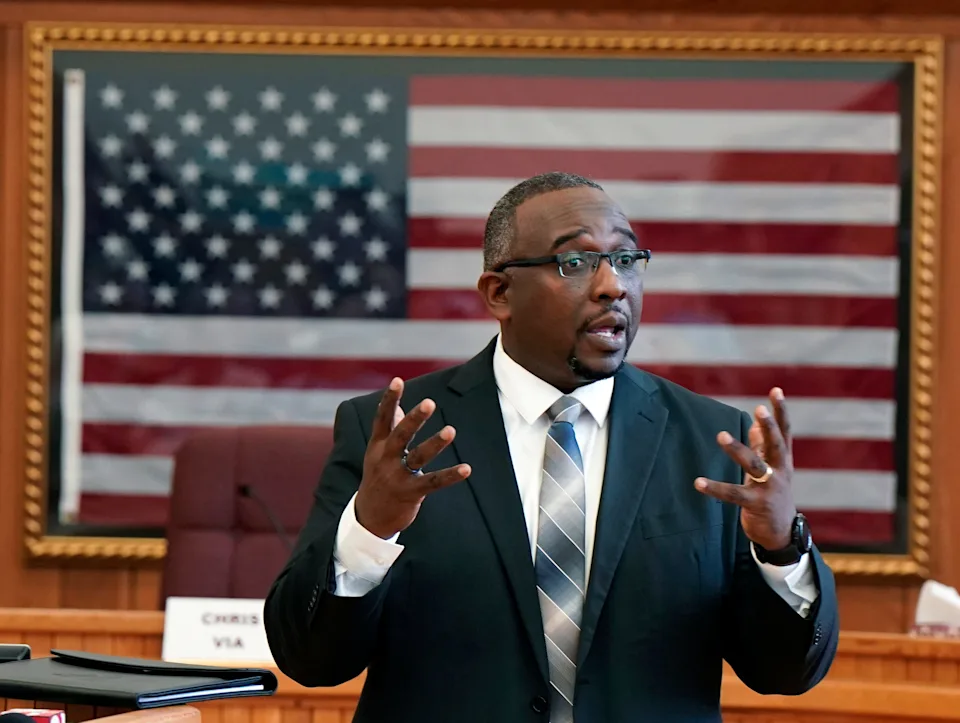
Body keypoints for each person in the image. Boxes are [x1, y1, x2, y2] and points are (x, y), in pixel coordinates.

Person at [264, 172, 839, 723]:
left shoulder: (716, 442)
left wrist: (781, 550)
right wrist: (369, 531)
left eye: (625, 259)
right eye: (577, 261)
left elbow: (784, 673)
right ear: (499, 292)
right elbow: (312, 661)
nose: (613, 284)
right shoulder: (394, 434)